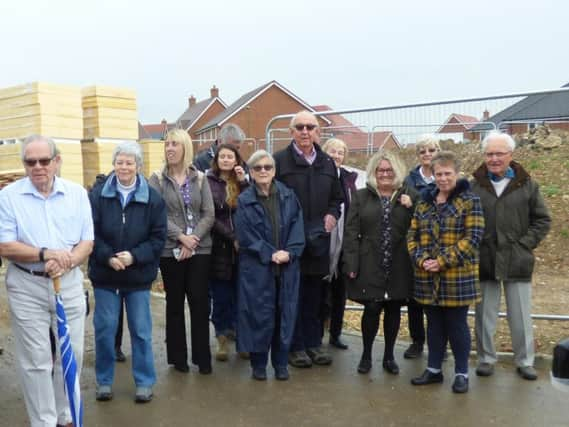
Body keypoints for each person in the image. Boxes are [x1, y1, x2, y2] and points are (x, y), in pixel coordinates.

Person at [0, 134, 94, 426]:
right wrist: (45, 254)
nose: (38, 167)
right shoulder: (8, 196)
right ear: (25, 165)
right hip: (26, 285)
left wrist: (67, 260)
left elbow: (86, 241)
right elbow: (5, 245)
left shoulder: (76, 193)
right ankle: (44, 421)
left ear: (57, 161)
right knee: (37, 361)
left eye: (44, 160)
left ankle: (66, 415)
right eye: (31, 162)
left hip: (67, 282)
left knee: (73, 355)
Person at [89, 141, 167, 403]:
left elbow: (158, 239)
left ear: (138, 165)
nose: (124, 167)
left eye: (129, 162)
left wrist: (134, 256)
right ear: (113, 165)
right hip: (106, 275)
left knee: (142, 331)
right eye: (119, 162)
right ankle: (104, 381)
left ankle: (145, 382)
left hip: (137, 278)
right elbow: (90, 233)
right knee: (105, 330)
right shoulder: (98, 195)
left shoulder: (153, 199)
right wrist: (108, 257)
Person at [472, 131, 551, 381]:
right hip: (486, 258)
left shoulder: (527, 184)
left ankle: (525, 360)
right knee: (485, 314)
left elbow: (542, 220)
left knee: (520, 315)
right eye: (489, 154)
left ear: (510, 155)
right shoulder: (474, 185)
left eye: (499, 153)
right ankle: (486, 358)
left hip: (517, 259)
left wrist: (525, 244)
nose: (494, 158)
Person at [408, 151, 484, 394]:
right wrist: (422, 260)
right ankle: (433, 370)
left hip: (457, 276)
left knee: (457, 325)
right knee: (434, 325)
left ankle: (461, 373)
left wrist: (441, 261)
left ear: (457, 174)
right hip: (427, 275)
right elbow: (412, 235)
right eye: (438, 173)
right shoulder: (424, 201)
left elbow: (472, 239)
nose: (442, 178)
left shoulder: (470, 201)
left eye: (447, 173)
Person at [273, 111, 344, 368]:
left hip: (318, 240)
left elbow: (337, 198)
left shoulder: (327, 162)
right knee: (293, 295)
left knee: (316, 296)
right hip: (290, 240)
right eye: (300, 127)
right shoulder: (280, 161)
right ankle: (296, 346)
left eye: (310, 127)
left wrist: (332, 215)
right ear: (291, 131)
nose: (305, 131)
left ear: (318, 132)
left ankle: (314, 344)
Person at [343, 150, 417, 375]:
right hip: (370, 260)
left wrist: (411, 205)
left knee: (394, 308)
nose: (385, 174)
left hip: (399, 262)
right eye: (380, 170)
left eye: (389, 170)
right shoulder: (361, 196)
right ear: (374, 172)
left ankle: (389, 356)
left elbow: (422, 224)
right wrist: (351, 264)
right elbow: (351, 232)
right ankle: (366, 355)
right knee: (372, 308)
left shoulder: (410, 195)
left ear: (397, 171)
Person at [234, 150, 305, 380]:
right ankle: (259, 364)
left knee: (284, 314)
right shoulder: (245, 200)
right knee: (258, 315)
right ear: (251, 173)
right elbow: (245, 235)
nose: (263, 171)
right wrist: (269, 253)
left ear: (274, 170)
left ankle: (281, 363)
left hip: (286, 268)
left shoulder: (288, 195)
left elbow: (297, 226)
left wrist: (290, 252)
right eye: (257, 168)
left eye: (267, 167)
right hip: (257, 269)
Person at [149, 129, 215, 374]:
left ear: (185, 147)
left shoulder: (200, 178)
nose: (169, 148)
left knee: (199, 303)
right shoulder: (156, 179)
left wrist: (193, 240)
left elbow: (209, 213)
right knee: (174, 304)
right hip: (170, 251)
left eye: (175, 144)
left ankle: (202, 358)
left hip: (200, 250)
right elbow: (156, 214)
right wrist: (181, 238)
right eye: (167, 144)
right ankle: (178, 359)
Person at [206, 143, 248, 361]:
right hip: (219, 248)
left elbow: (252, 206)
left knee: (242, 297)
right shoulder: (207, 181)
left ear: (236, 160)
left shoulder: (242, 182)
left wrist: (243, 182)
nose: (225, 160)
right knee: (221, 297)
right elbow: (210, 216)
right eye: (222, 156)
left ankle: (243, 340)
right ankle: (222, 340)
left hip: (242, 249)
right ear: (217, 159)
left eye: (230, 157)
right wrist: (232, 238)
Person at [402, 134, 441, 358]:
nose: (427, 154)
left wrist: (414, 199)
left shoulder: (445, 176)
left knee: (438, 299)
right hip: (416, 243)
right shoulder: (409, 179)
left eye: (432, 150)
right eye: (423, 151)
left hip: (440, 244)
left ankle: (439, 344)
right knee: (414, 298)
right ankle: (417, 341)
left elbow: (436, 202)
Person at [320, 138, 357, 350]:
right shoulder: (319, 176)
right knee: (320, 291)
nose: (336, 155)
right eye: (332, 151)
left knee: (339, 291)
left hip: (344, 238)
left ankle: (336, 334)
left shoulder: (349, 179)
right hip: (324, 238)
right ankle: (316, 333)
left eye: (340, 152)